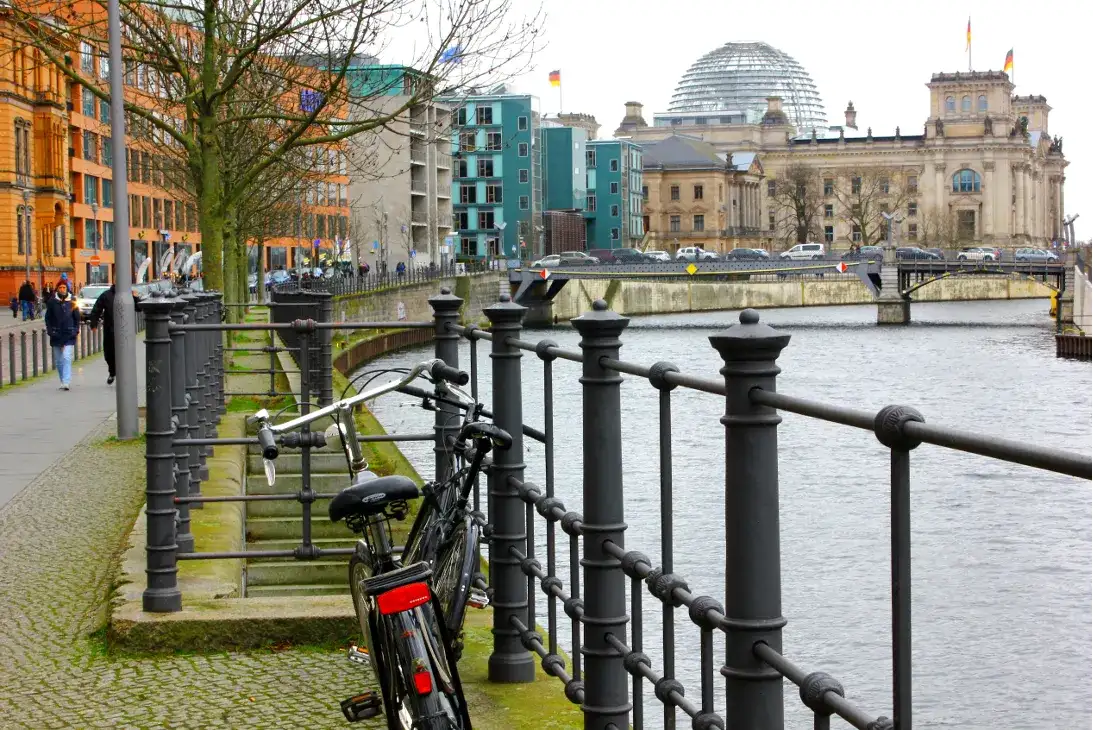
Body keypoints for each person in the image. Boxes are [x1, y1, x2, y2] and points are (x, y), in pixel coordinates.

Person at [88, 283, 140, 385]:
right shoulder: (106, 295)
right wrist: (93, 324)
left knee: (125, 353)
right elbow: (96, 309)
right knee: (109, 353)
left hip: (126, 330)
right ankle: (112, 372)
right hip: (110, 329)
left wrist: (136, 298)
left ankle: (124, 376)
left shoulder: (129, 295)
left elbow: (139, 308)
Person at [45, 280, 80, 390]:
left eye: (64, 287)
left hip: (69, 333)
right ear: (57, 289)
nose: (62, 289)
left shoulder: (73, 301)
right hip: (56, 334)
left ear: (67, 288)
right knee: (59, 361)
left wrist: (75, 330)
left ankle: (66, 381)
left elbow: (77, 317)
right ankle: (62, 380)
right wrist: (50, 331)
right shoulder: (52, 302)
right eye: (60, 287)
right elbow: (48, 318)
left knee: (66, 357)